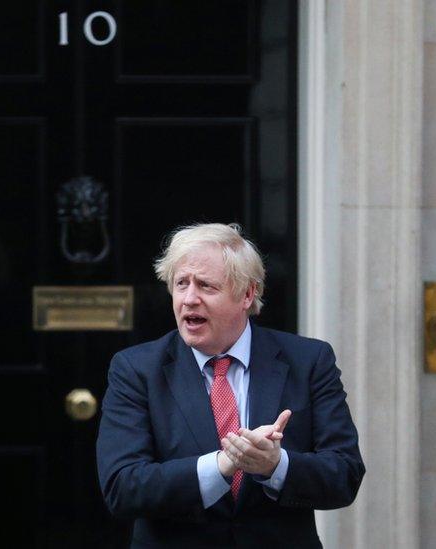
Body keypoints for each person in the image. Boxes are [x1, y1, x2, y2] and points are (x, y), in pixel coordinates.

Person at [96, 223, 365, 548]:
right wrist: (222, 465)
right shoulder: (136, 369)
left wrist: (275, 466)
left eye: (206, 286)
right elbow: (122, 487)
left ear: (247, 294)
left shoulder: (309, 361)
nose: (189, 299)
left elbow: (344, 474)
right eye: (181, 284)